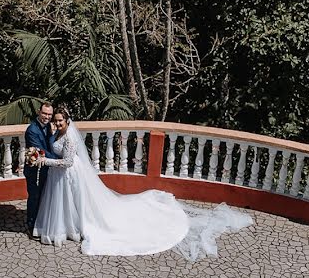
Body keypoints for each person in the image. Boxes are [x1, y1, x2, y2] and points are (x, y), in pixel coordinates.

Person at [33, 107, 253, 259]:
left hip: (70, 173)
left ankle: (78, 226)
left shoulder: (70, 137)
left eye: (60, 120)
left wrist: (45, 160)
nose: (57, 122)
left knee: (80, 203)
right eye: (55, 119)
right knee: (67, 203)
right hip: (59, 176)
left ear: (67, 121)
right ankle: (70, 227)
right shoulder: (55, 132)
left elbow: (69, 161)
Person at [23, 102, 59, 236]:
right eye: (44, 113)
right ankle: (31, 226)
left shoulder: (50, 127)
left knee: (44, 197)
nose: (47, 116)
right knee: (34, 197)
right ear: (39, 112)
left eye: (50, 114)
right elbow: (41, 150)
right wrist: (57, 160)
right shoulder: (32, 130)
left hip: (46, 168)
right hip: (34, 171)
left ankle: (41, 223)